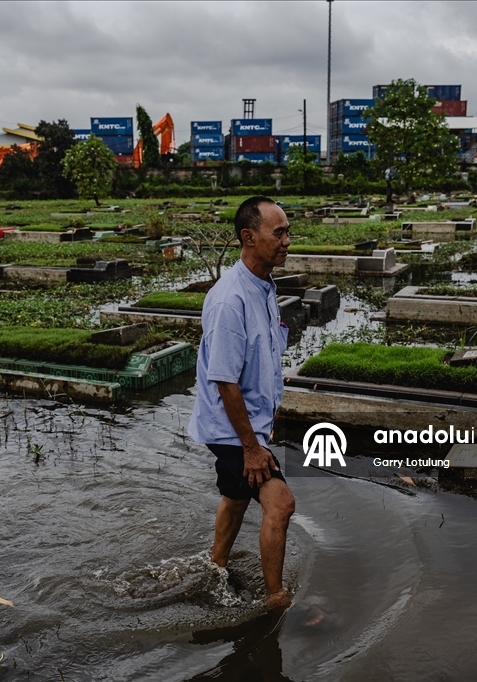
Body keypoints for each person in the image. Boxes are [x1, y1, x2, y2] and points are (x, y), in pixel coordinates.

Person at [188, 195, 296, 610]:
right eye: (279, 232)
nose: (287, 240)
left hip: (250, 423)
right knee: (281, 503)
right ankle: (276, 599)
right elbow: (224, 381)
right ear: (249, 237)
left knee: (235, 497)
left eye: (288, 231)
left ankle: (215, 567)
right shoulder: (230, 300)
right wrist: (251, 448)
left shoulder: (264, 283)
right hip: (232, 429)